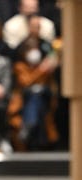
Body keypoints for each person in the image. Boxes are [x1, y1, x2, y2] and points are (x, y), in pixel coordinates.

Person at [7, 16, 60, 150]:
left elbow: (53, 65)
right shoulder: (20, 64)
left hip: (46, 92)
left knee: (39, 92)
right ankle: (33, 129)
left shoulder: (46, 45)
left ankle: (29, 126)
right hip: (26, 95)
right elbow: (25, 82)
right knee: (35, 96)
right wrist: (42, 70)